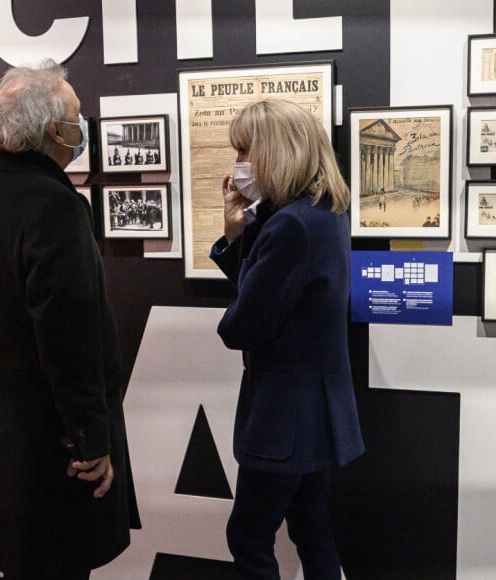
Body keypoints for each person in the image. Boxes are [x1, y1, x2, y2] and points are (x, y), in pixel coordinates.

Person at [0, 59, 141, 579]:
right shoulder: (55, 207)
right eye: (77, 118)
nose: (82, 130)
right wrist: (92, 441)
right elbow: (69, 339)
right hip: (53, 447)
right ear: (53, 131)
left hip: (2, 439)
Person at [210, 99, 364, 579]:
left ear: (275, 152)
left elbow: (243, 326)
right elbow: (274, 293)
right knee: (311, 529)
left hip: (284, 417)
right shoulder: (323, 214)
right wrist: (238, 237)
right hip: (315, 411)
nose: (239, 162)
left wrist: (241, 241)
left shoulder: (291, 225)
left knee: (249, 536)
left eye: (244, 149)